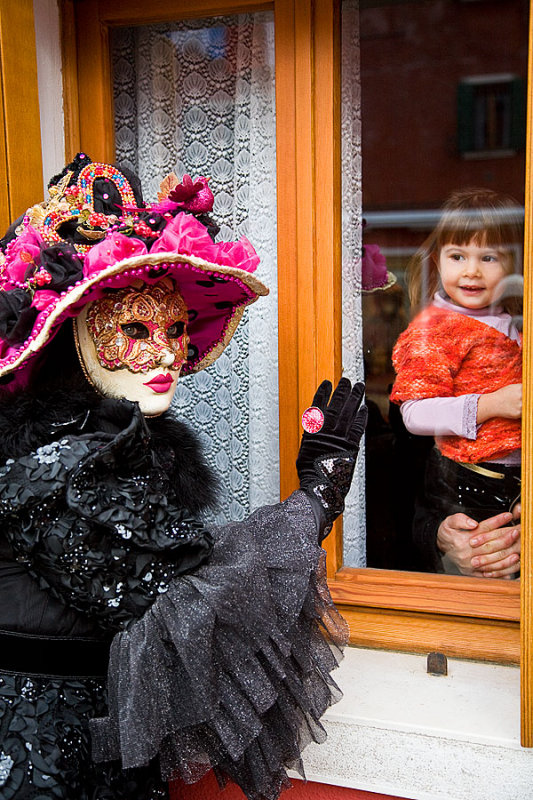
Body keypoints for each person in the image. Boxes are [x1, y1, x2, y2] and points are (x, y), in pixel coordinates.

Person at [0, 154, 367, 800]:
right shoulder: (56, 466)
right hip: (36, 766)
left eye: (175, 329)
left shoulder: (110, 453)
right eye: (134, 328)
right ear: (73, 333)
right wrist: (313, 500)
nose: (166, 351)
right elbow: (190, 607)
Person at [390, 188, 522, 573]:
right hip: (470, 478)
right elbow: (413, 413)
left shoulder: (512, 320)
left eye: (489, 257)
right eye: (458, 256)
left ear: (513, 263)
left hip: (512, 475)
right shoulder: (437, 329)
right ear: (438, 260)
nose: (472, 271)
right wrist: (493, 404)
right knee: (484, 563)